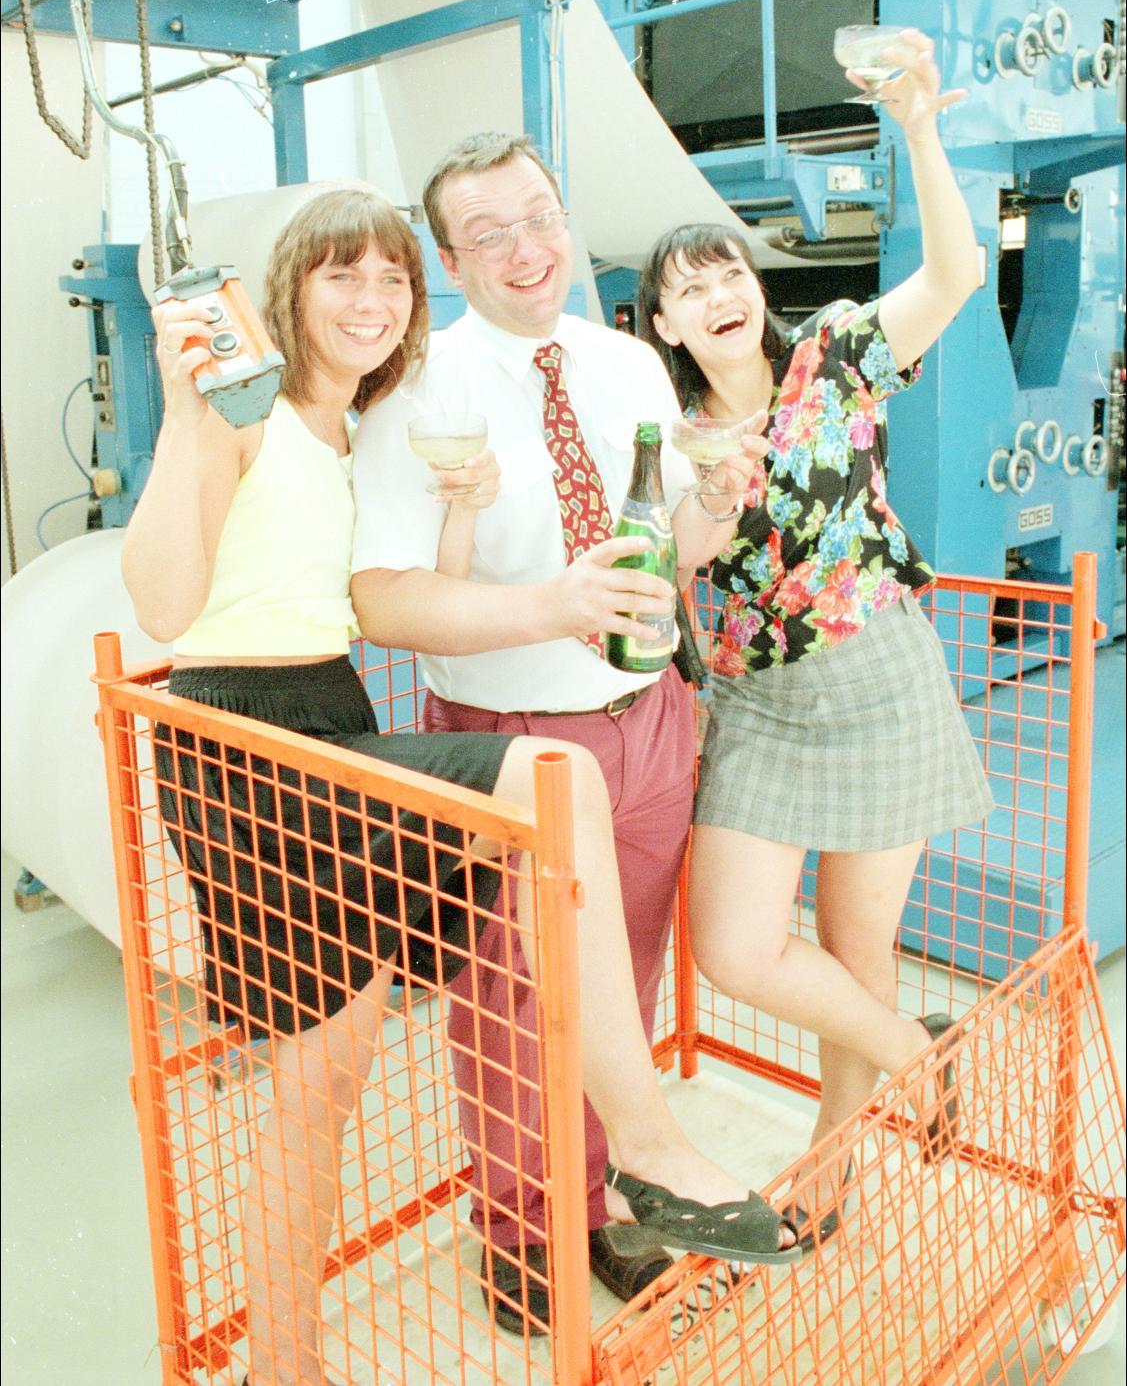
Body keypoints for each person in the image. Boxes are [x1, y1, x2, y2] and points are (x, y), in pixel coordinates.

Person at [122, 187, 796, 1386]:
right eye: (342, 275)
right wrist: (184, 413)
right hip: (244, 742)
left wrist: (459, 519)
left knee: (317, 1090)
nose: (371, 300)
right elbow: (166, 605)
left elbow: (344, 593)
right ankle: (645, 1145)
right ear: (288, 290)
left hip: (330, 715)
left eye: (390, 280)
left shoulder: (343, 430)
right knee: (549, 779)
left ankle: (284, 1367)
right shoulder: (238, 417)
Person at [349, 133, 797, 1334]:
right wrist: (550, 606)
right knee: (509, 998)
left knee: (621, 980)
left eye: (538, 215)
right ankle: (520, 1228)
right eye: (486, 232)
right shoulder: (413, 390)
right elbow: (382, 601)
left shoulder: (626, 364)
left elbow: (674, 553)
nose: (525, 248)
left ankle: (604, 1196)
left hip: (649, 718)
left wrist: (717, 502)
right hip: (511, 739)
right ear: (448, 261)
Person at [636, 30, 995, 1250]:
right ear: (665, 324)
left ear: (752, 283)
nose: (715, 293)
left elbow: (953, 275)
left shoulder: (833, 356)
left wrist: (919, 131)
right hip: (760, 706)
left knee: (852, 946)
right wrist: (711, 490)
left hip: (879, 677)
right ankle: (914, 1055)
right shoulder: (671, 434)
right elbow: (675, 558)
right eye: (686, 288)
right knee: (736, 948)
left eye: (725, 269)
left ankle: (828, 1175)